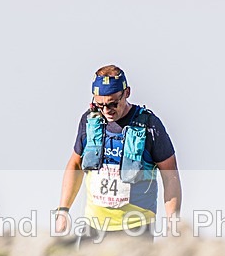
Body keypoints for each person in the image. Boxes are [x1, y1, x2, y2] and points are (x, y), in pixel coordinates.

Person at [55, 65, 181, 245]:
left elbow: (171, 175)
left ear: (127, 92)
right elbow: (75, 165)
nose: (107, 110)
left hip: (137, 227)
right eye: (100, 104)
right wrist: (63, 210)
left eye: (113, 103)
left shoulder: (150, 125)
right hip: (94, 227)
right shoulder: (89, 121)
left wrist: (172, 223)